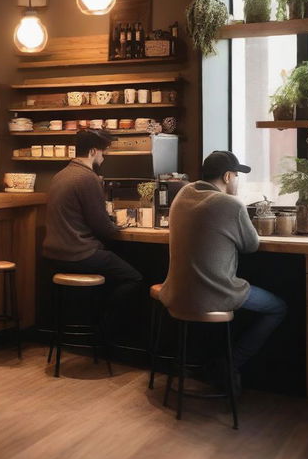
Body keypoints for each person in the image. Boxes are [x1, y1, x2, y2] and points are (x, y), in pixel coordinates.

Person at [159, 150, 287, 390]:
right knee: (277, 308)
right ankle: (229, 364)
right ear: (228, 176)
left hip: (175, 293)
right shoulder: (230, 204)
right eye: (237, 175)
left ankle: (204, 364)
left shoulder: (183, 194)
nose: (238, 181)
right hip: (215, 294)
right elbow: (251, 245)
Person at [43, 129, 143, 337]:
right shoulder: (87, 178)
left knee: (112, 273)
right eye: (102, 153)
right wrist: (120, 225)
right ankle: (104, 331)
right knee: (134, 278)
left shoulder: (61, 175)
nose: (103, 157)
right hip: (78, 253)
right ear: (91, 152)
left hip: (53, 254)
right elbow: (103, 228)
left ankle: (92, 327)